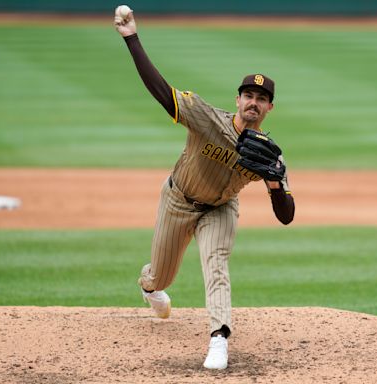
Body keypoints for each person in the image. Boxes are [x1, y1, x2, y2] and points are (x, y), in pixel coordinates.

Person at [114, 5, 295, 370]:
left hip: (220, 208)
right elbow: (162, 92)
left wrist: (275, 183)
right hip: (178, 201)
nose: (253, 103)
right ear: (238, 99)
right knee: (160, 275)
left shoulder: (267, 155)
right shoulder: (207, 118)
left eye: (261, 99)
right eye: (248, 96)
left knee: (216, 263)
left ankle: (219, 339)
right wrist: (131, 38)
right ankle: (149, 287)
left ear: (269, 107)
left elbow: (286, 216)